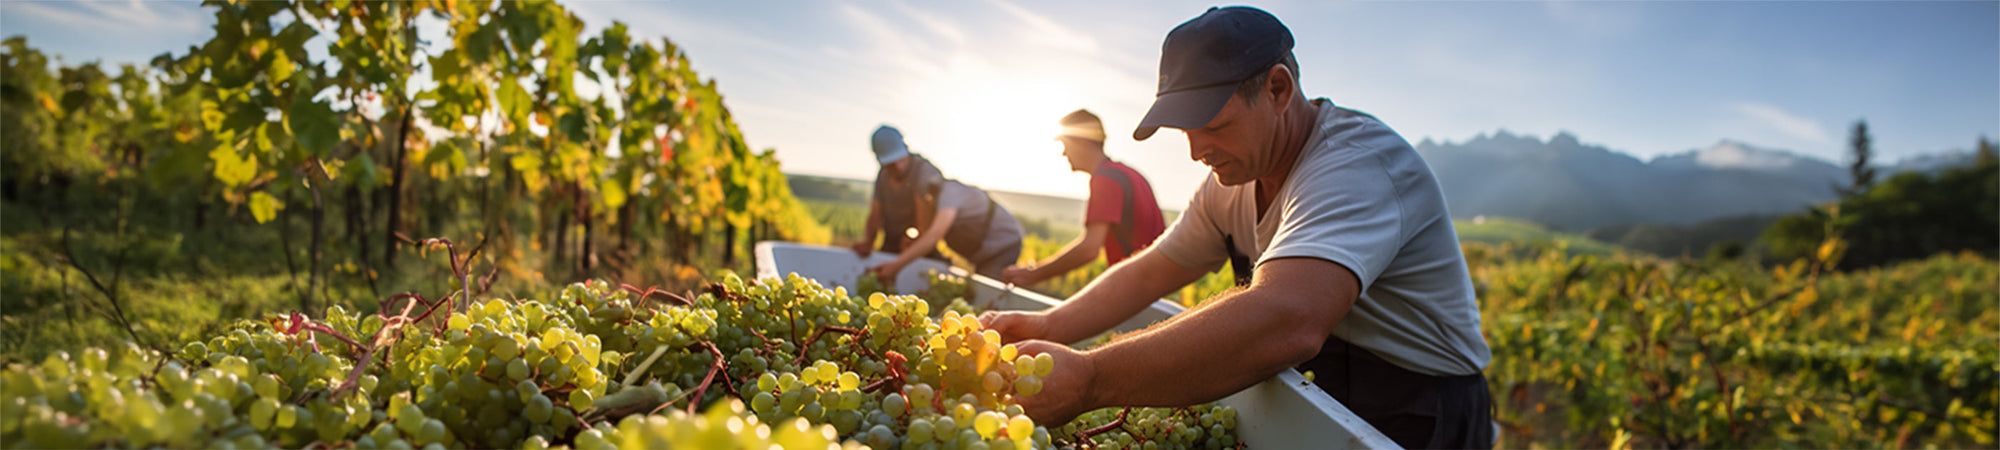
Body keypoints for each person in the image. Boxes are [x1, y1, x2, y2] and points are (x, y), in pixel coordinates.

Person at [978, 7, 1494, 449]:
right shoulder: (1232, 179)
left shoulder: (1358, 166)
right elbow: (1154, 269)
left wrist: (1091, 379)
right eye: (1185, 131)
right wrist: (1052, 326)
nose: (1196, 151)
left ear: (1277, 88)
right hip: (1330, 387)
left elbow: (1287, 317)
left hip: (1422, 405)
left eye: (1215, 126)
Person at [1000, 109, 1167, 286]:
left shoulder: (1106, 179)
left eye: (1065, 145)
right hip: (1154, 284)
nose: (1064, 154)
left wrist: (1033, 274)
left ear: (1080, 141)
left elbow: (1089, 249)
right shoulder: (1130, 174)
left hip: (1136, 285)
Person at [854, 125, 1025, 282]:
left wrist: (897, 265)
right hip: (982, 253)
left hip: (1003, 246)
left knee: (985, 291)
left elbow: (933, 234)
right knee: (978, 288)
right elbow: (921, 229)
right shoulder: (927, 194)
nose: (921, 201)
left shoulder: (949, 195)